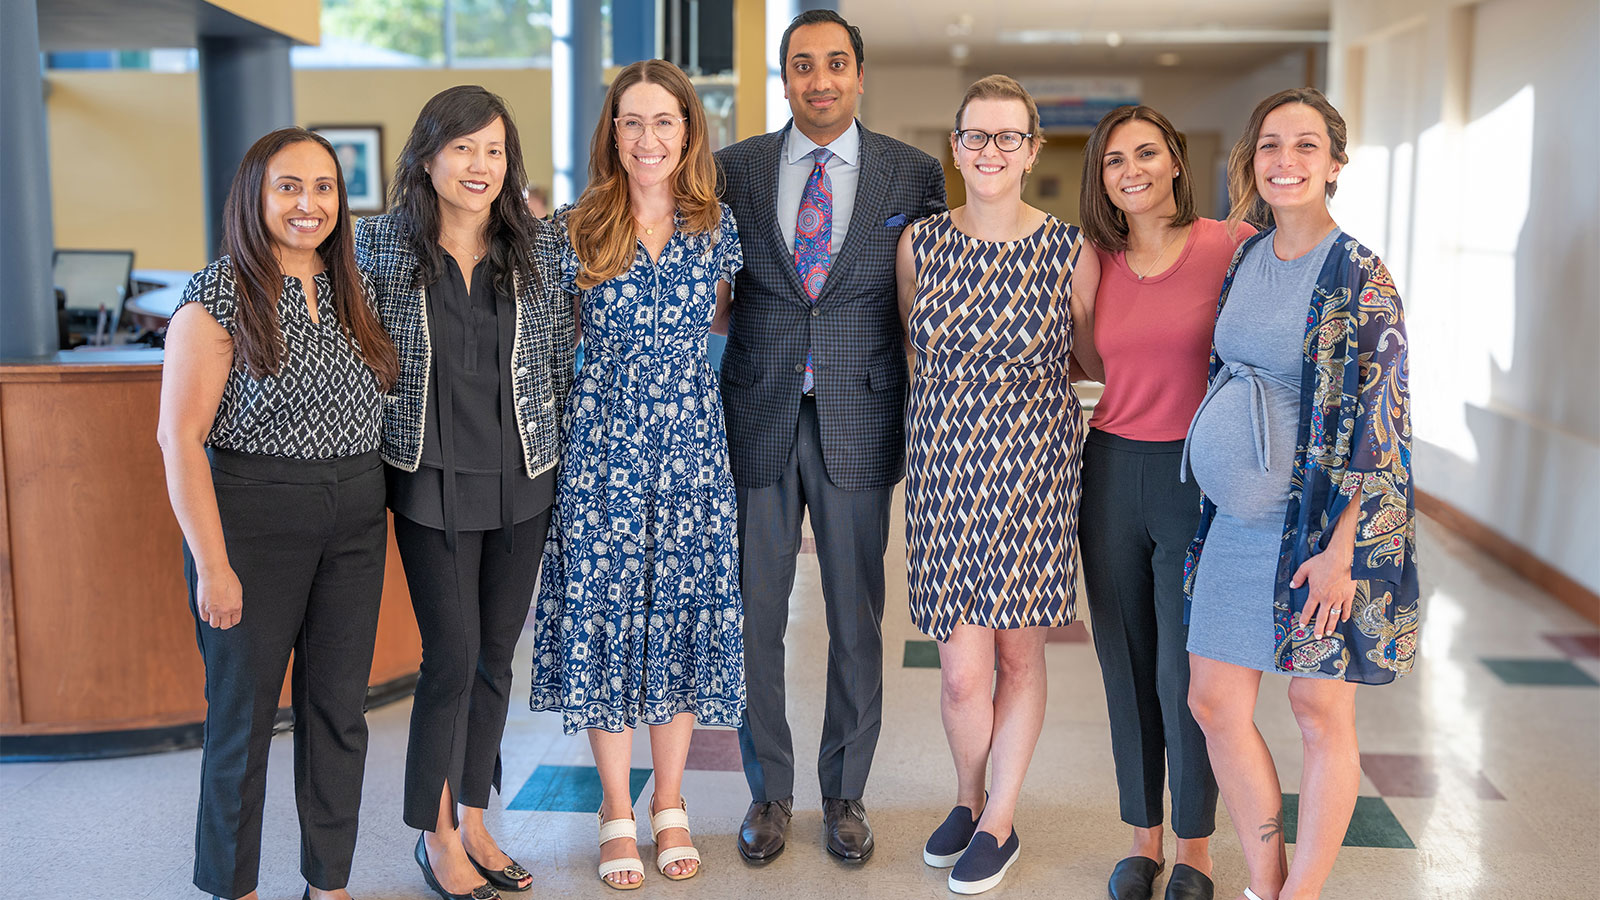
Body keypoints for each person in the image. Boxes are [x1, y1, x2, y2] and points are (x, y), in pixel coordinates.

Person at [714, 9, 947, 864]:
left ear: (860, 74)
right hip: (758, 411)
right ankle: (767, 792)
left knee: (856, 617)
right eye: (803, 65)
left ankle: (845, 793)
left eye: (835, 64)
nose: (820, 80)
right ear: (785, 78)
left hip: (862, 412)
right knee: (753, 617)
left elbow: (928, 302)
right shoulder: (734, 169)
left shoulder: (914, 173)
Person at [1180, 87, 1418, 900]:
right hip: (1234, 527)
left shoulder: (1359, 275)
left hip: (1322, 535)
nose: (1285, 161)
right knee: (1214, 702)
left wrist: (1341, 552)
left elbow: (1384, 424)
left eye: (1306, 146)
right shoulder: (1247, 257)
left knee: (1319, 712)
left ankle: (1301, 893)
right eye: (1271, 145)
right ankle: (1266, 880)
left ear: (1335, 165)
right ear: (1251, 161)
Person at [157, 126, 399, 900]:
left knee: (338, 713)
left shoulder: (352, 286)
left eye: (323, 187)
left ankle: (328, 883)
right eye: (288, 186)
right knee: (244, 720)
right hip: (253, 522)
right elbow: (180, 440)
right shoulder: (219, 293)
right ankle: (234, 887)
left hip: (356, 517)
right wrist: (213, 565)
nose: (308, 203)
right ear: (255, 196)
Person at [528, 59, 745, 890]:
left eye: (664, 121)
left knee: (681, 621)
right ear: (611, 133)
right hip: (602, 454)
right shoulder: (575, 229)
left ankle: (674, 804)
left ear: (688, 130)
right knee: (610, 622)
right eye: (632, 122)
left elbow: (726, 325)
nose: (647, 138)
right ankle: (617, 809)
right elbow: (548, 350)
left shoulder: (717, 226)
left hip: (693, 450)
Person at [355, 85, 574, 900]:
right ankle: (434, 833)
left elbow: (556, 365)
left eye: (494, 150)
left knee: (493, 661)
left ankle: (476, 817)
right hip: (428, 477)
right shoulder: (377, 246)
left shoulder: (540, 249)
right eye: (463, 149)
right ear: (427, 156)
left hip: (525, 478)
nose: (480, 166)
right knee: (449, 658)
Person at [897, 75, 1097, 895]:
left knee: (1018, 656)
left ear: (1032, 149)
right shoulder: (919, 244)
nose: (991, 151)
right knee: (960, 670)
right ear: (956, 147)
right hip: (945, 470)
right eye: (976, 136)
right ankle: (967, 796)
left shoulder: (1068, 250)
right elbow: (913, 349)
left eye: (1008, 137)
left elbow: (1096, 360)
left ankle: (1001, 820)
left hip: (1032, 473)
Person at [1074, 105, 1257, 900]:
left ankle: (1196, 850)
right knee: (1124, 665)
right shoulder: (1092, 260)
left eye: (1146, 153)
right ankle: (1141, 841)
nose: (1131, 170)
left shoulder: (1232, 247)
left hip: (1197, 478)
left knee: (1184, 671)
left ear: (1176, 161)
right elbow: (1081, 358)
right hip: (1110, 470)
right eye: (1115, 160)